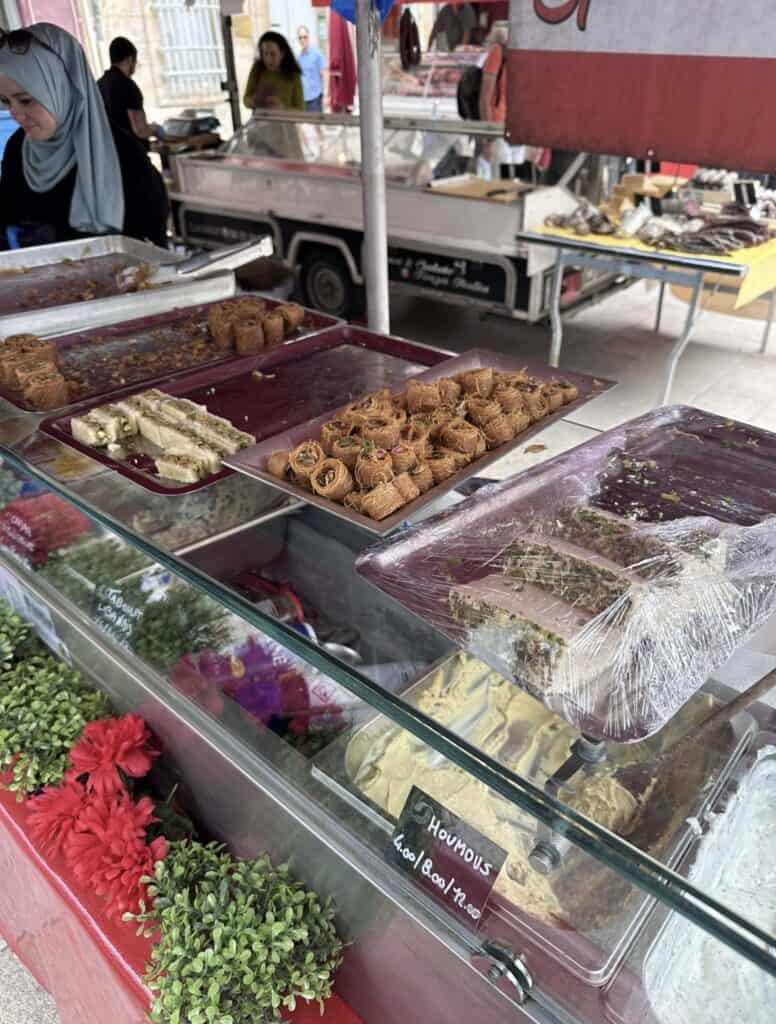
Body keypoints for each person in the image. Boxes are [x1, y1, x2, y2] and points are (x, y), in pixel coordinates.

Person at [0, 23, 169, 248]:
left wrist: (62, 240)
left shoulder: (123, 157)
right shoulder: (18, 149)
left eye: (26, 100)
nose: (15, 113)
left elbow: (151, 251)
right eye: (6, 101)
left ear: (63, 87)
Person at [98, 36, 162, 153]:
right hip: (131, 157)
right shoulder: (128, 87)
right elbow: (140, 131)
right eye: (135, 61)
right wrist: (156, 129)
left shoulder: (100, 84)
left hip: (109, 155)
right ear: (129, 59)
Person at [243, 32, 304, 112]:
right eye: (265, 53)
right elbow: (246, 100)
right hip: (260, 122)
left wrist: (282, 109)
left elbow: (301, 110)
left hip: (284, 123)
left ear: (282, 54)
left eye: (273, 54)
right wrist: (254, 101)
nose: (268, 59)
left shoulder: (293, 74)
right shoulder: (257, 68)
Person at [296, 26, 325, 113]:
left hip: (315, 99)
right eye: (300, 37)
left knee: (316, 125)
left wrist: (326, 95)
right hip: (302, 99)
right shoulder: (298, 57)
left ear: (309, 37)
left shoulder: (317, 53)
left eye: (305, 37)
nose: (302, 40)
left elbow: (324, 74)